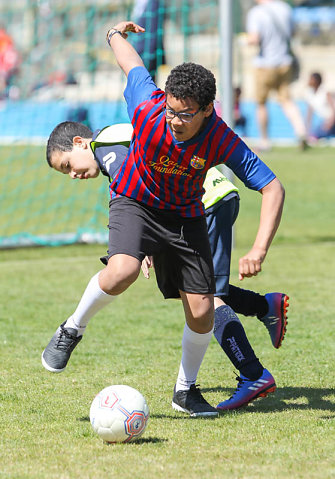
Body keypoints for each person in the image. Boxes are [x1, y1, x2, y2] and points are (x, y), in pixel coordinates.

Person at [42, 21, 285, 417]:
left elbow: (272, 187)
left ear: (208, 110)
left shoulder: (220, 138)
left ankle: (185, 391)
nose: (174, 120)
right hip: (134, 200)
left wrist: (258, 249)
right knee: (122, 271)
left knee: (203, 309)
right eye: (171, 110)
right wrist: (113, 35)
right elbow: (132, 66)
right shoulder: (147, 105)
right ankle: (72, 328)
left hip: (185, 215)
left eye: (185, 114)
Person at [246, 0, 308, 151]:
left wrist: (245, 41)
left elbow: (254, 39)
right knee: (287, 100)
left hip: (264, 64)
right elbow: (292, 33)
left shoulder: (256, 12)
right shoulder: (285, 8)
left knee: (261, 103)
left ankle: (265, 141)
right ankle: (301, 132)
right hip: (285, 62)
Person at [305, 72, 335, 141]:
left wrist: (331, 122)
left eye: (311, 79)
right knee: (314, 134)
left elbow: (333, 108)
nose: (309, 81)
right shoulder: (309, 94)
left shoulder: (325, 92)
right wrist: (307, 128)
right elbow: (309, 113)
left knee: (319, 134)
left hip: (332, 120)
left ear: (316, 81)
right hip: (326, 121)